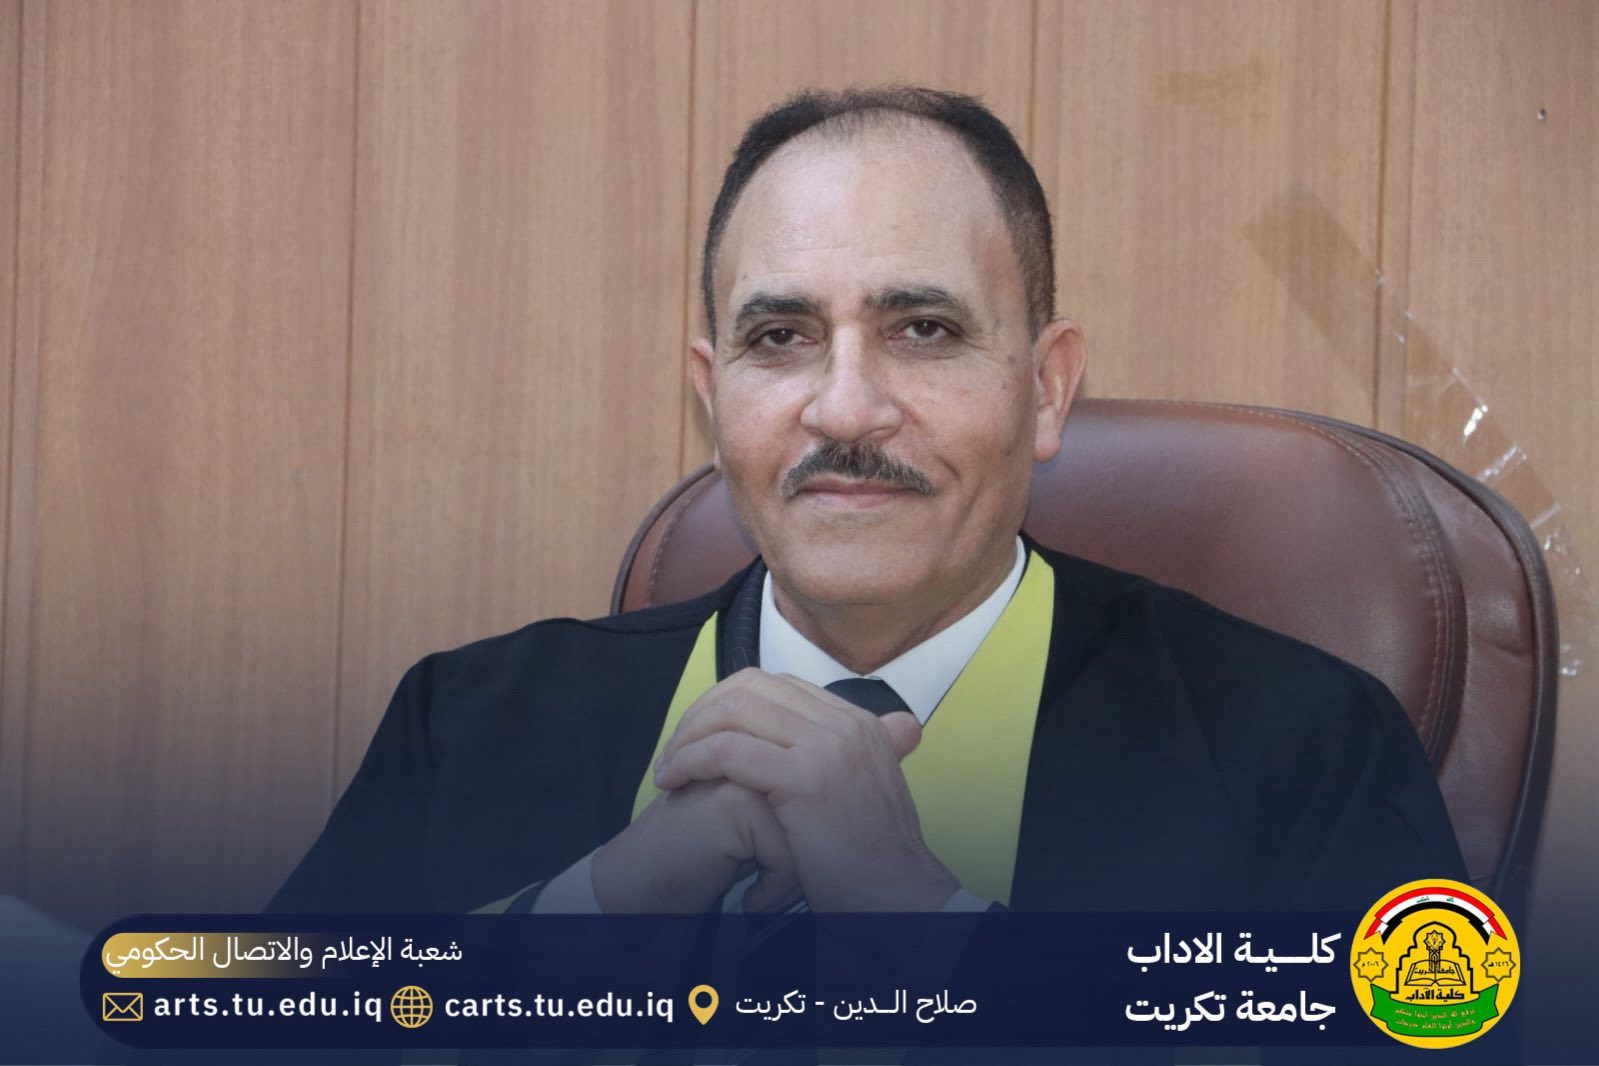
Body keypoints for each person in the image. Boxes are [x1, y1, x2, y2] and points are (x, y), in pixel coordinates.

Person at [270, 86, 1464, 920]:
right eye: (780, 337)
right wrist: (594, 910)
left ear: (1046, 389)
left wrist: (927, 925)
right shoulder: (468, 723)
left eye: (924, 329)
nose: (844, 408)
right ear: (712, 397)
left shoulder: (1309, 749)